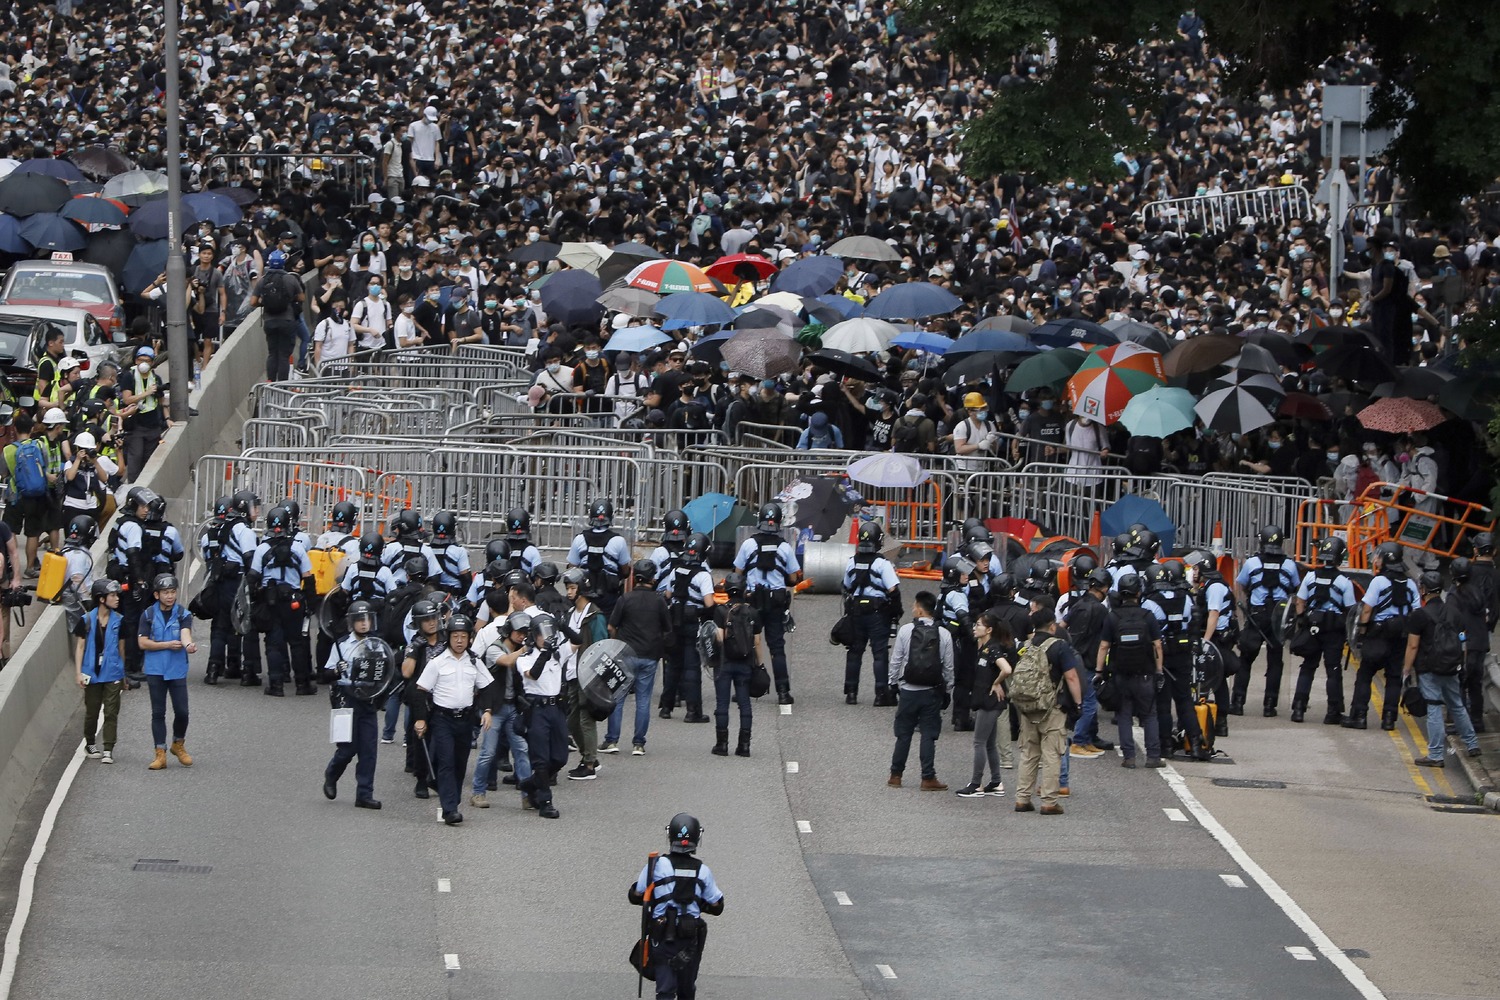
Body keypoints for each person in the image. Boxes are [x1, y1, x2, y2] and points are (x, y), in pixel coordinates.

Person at [628, 813, 726, 1000]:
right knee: (686, 988)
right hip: (689, 938)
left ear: (670, 836)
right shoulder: (702, 871)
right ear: (697, 838)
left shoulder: (655, 865)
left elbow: (635, 895)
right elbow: (717, 905)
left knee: (665, 989)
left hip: (661, 935)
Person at [412, 614, 495, 825]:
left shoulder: (474, 661)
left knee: (459, 763)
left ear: (469, 638)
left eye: (464, 636)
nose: (459, 640)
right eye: (455, 636)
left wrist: (487, 710)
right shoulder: (437, 662)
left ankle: (452, 801)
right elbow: (420, 691)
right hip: (442, 719)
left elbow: (487, 686)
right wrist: (421, 719)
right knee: (446, 762)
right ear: (448, 637)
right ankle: (450, 810)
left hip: (465, 720)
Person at [1011, 604, 1085, 814]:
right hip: (1051, 707)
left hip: (1027, 706)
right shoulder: (1059, 646)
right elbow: (1071, 676)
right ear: (1052, 626)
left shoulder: (1025, 646)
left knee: (1029, 753)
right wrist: (1078, 703)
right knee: (1052, 754)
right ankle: (1049, 801)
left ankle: (1022, 798)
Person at [1403, 571, 1482, 767]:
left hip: (1429, 669)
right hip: (1452, 667)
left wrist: (1406, 671)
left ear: (1423, 590)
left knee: (1434, 708)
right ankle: (1472, 744)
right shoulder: (1455, 613)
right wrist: (1460, 664)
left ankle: (1436, 755)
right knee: (1457, 705)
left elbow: (1413, 646)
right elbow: (1462, 640)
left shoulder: (1419, 616)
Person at [321, 602, 389, 809]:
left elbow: (386, 670)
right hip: (346, 698)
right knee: (347, 748)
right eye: (359, 620)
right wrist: (335, 671)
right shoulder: (341, 645)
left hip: (368, 698)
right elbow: (325, 673)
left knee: (369, 750)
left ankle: (364, 794)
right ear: (352, 623)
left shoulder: (377, 645)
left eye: (367, 619)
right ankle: (332, 774)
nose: (363, 624)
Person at [1346, 541, 1420, 731]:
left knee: (1365, 674)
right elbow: (1416, 611)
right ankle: (1389, 719)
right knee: (1394, 677)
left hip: (1378, 634)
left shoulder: (1378, 581)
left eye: (1378, 556)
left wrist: (1361, 634)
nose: (1376, 559)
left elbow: (1367, 609)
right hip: (1400, 637)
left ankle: (1359, 716)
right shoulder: (1410, 583)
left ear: (1386, 559)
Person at [732, 502, 800, 705]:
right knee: (776, 647)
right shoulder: (785, 547)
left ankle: (745, 689)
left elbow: (737, 573)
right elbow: (794, 578)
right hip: (776, 602)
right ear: (779, 523)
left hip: (752, 601)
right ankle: (783, 691)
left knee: (747, 644)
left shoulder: (748, 545)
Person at [470, 598, 535, 809]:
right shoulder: (495, 649)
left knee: (521, 751)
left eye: (525, 632)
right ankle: (478, 792)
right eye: (519, 632)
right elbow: (506, 661)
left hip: (513, 708)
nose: (523, 636)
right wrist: (525, 650)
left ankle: (528, 795)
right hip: (493, 709)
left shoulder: (519, 650)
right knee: (488, 752)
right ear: (509, 631)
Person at [886, 591, 954, 791]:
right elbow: (948, 666)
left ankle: (896, 775)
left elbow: (897, 659)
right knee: (928, 734)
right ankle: (927, 777)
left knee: (903, 734)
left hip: (908, 690)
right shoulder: (944, 633)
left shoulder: (906, 630)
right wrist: (948, 689)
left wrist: (892, 683)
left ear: (919, 608)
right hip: (931, 691)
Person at [1097, 572, 1166, 768]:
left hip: (1121, 674)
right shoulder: (1148, 616)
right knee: (1150, 714)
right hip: (1145, 673)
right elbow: (1158, 645)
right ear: (1139, 592)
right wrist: (1159, 671)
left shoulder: (1113, 617)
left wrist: (1099, 672)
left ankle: (1129, 757)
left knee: (1124, 714)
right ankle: (1153, 756)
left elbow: (1104, 646)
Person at [247, 505, 316, 697]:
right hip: (294, 601)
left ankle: (276, 685)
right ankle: (303, 685)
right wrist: (311, 605)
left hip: (270, 601)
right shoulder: (298, 547)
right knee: (297, 643)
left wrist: (252, 601)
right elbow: (308, 579)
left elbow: (252, 578)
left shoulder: (262, 549)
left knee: (274, 643)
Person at [606, 560, 672, 755]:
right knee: (643, 700)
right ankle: (638, 743)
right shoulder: (659, 601)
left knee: (618, 698)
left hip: (626, 653)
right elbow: (667, 628)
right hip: (650, 654)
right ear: (653, 579)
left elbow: (612, 626)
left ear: (635, 578)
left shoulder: (625, 599)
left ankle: (612, 740)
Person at [1233, 525, 1300, 717]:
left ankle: (1237, 702)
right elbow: (1294, 588)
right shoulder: (1289, 565)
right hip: (1278, 617)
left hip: (1256, 615)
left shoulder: (1252, 563)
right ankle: (1270, 705)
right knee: (1275, 661)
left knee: (1246, 658)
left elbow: (1243, 585)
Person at [1289, 536, 1357, 725]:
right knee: (1333, 670)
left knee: (1308, 667)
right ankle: (1332, 712)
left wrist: (1302, 621)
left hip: (1312, 627)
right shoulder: (1344, 582)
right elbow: (1351, 610)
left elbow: (1300, 601)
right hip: (1333, 631)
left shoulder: (1310, 576)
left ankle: (1298, 710)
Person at [1142, 563, 1205, 758]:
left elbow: (1148, 632)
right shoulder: (1185, 597)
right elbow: (1194, 623)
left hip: (1162, 656)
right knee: (1185, 700)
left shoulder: (1149, 602)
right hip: (1183, 653)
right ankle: (1195, 743)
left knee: (1163, 703)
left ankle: (1166, 746)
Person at [138, 573, 195, 771]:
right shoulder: (148, 615)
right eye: (165, 593)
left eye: (172, 592)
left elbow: (185, 633)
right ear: (156, 595)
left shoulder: (182, 614)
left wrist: (188, 645)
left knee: (182, 711)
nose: (170, 596)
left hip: (177, 669)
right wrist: (166, 645)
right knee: (158, 712)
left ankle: (178, 744)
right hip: (155, 670)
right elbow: (142, 642)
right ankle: (159, 753)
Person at [841, 522, 902, 705]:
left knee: (854, 652)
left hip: (856, 611)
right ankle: (881, 694)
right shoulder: (882, 564)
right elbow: (893, 589)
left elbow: (846, 586)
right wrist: (896, 611)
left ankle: (851, 693)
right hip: (877, 613)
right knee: (879, 653)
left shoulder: (852, 561)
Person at [956, 611, 1013, 798]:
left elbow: (1006, 669)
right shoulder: (983, 647)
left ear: (989, 629)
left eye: (979, 625)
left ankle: (976, 784)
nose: (975, 627)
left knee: (979, 742)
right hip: (984, 699)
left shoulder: (992, 649)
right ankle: (996, 782)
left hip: (990, 702)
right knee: (989, 743)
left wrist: (996, 683)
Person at [516, 614, 568, 818]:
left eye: (550, 633)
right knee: (540, 759)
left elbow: (577, 642)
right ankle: (545, 801)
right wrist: (545, 652)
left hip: (556, 708)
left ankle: (530, 783)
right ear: (534, 636)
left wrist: (563, 626)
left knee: (560, 757)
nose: (547, 637)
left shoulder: (557, 654)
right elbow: (533, 674)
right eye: (542, 634)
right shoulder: (524, 657)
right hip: (536, 708)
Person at [660, 532, 715, 723]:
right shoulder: (703, 575)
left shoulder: (676, 570)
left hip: (675, 622)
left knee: (674, 665)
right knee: (692, 668)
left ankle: (666, 707)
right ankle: (693, 711)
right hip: (693, 624)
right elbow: (709, 603)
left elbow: (668, 594)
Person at [560, 569, 608, 780]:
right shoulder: (571, 614)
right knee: (571, 722)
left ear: (582, 590)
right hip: (571, 672)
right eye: (568, 588)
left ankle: (589, 764)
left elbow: (601, 645)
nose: (569, 592)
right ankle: (589, 756)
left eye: (572, 588)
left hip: (587, 674)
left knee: (586, 719)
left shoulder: (594, 616)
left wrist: (597, 676)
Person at [709, 572, 761, 758]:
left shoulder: (721, 611)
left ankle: (722, 744)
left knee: (722, 703)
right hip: (745, 663)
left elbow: (720, 638)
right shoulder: (753, 612)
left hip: (725, 663)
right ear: (744, 589)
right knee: (744, 704)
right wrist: (759, 664)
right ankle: (744, 745)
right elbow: (757, 642)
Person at [76, 579, 126, 765]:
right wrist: (78, 673)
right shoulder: (86, 620)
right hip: (92, 673)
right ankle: (90, 742)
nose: (116, 598)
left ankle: (108, 748)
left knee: (111, 711)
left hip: (112, 672)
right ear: (101, 599)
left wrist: (124, 673)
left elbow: (122, 648)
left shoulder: (120, 621)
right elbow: (80, 647)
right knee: (92, 711)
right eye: (112, 595)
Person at [398, 599, 445, 795]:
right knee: (420, 738)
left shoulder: (446, 641)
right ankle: (421, 779)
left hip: (444, 695)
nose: (431, 623)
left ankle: (440, 776)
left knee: (443, 739)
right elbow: (406, 673)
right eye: (426, 620)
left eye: (433, 618)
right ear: (418, 623)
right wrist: (415, 651)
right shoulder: (414, 644)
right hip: (422, 698)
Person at [1450, 554, 1496, 732]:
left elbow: (1453, 622)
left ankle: (1461, 723)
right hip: (1480, 643)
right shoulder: (1478, 592)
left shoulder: (1455, 594)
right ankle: (1477, 721)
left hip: (1465, 645)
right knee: (1475, 684)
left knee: (1460, 683)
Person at [567, 498, 632, 617]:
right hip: (609, 596)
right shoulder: (619, 541)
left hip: (585, 595)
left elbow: (572, 569)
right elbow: (625, 571)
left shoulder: (579, 539)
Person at [251, 250, 306, 382]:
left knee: (272, 353)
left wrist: (265, 302)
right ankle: (281, 386)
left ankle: (270, 381)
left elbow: (253, 302)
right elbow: (302, 297)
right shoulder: (290, 278)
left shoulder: (263, 280)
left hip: (269, 321)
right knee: (284, 355)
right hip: (287, 320)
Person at [938, 553, 977, 731]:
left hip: (944, 639)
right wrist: (974, 636)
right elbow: (963, 617)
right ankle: (961, 718)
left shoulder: (943, 594)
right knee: (964, 679)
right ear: (954, 574)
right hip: (959, 642)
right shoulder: (957, 595)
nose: (967, 575)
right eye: (963, 573)